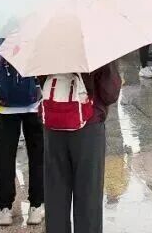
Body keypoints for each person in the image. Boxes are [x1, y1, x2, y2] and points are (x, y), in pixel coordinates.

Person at [42, 61, 122, 233]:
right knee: (89, 193)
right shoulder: (96, 43)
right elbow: (110, 93)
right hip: (88, 126)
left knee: (55, 193)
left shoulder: (46, 41)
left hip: (54, 123)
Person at [0, 58, 44, 227]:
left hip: (5, 102)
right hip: (36, 101)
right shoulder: (40, 34)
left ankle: (4, 208)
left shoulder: (2, 34)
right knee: (38, 155)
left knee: (4, 156)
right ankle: (37, 205)